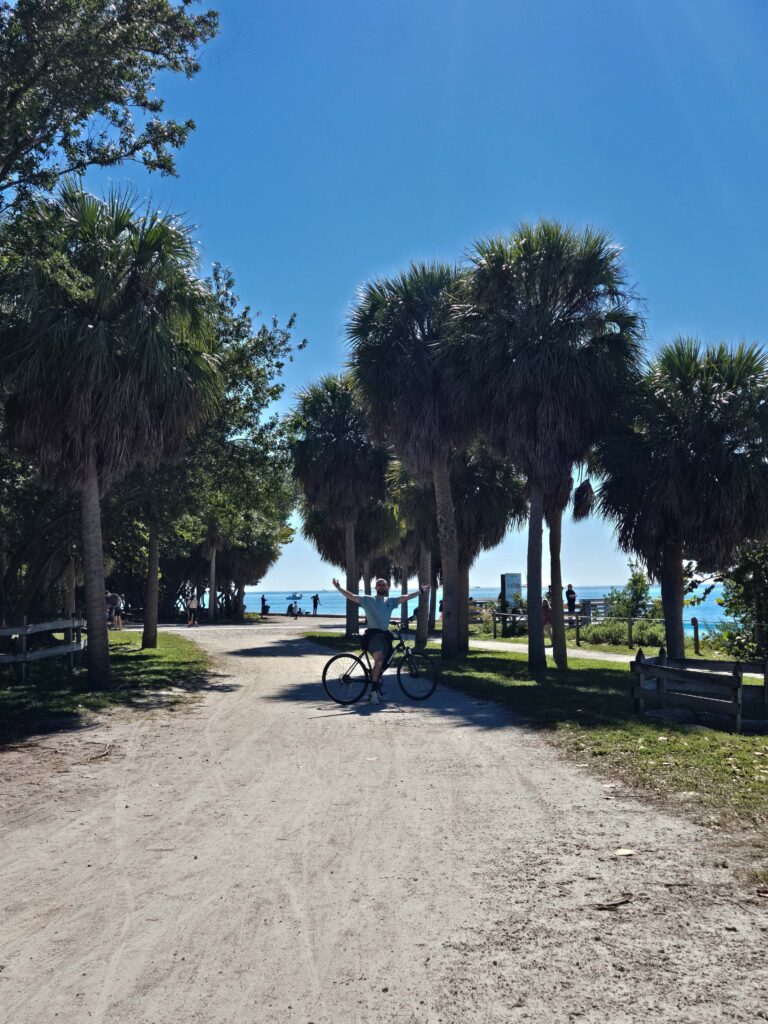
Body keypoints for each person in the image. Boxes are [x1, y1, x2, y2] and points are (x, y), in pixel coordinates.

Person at [332, 576, 430, 704]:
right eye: (379, 585)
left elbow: (405, 597)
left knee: (384, 662)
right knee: (379, 660)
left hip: (384, 636)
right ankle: (373, 692)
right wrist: (338, 588)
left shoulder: (390, 601)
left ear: (387, 587)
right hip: (373, 636)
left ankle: (377, 686)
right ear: (375, 588)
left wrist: (421, 591)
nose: (382, 587)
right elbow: (352, 596)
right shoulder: (368, 600)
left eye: (384, 585)